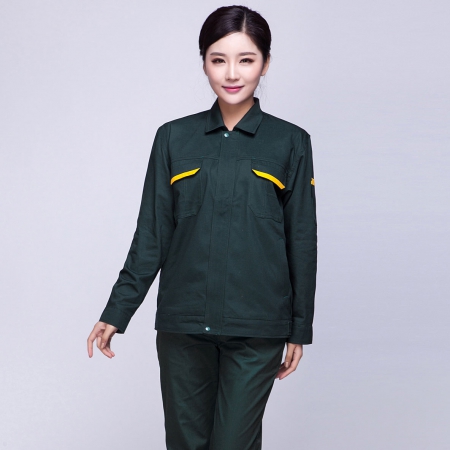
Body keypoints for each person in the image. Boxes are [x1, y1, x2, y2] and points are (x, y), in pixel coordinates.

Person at [87, 5, 317, 449]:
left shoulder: (291, 142)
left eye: (246, 59)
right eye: (218, 59)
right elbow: (152, 233)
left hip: (257, 327)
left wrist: (298, 328)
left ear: (265, 63)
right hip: (184, 325)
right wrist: (117, 311)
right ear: (204, 62)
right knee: (186, 444)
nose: (232, 73)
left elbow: (302, 240)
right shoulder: (173, 138)